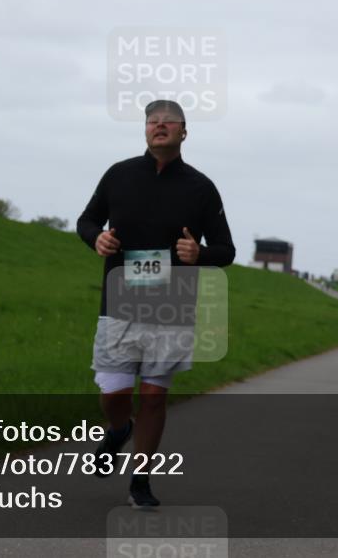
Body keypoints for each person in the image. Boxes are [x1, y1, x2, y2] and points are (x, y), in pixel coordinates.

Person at [77, 99, 235, 507]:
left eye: (169, 121)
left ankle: (140, 480)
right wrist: (97, 237)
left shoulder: (201, 188)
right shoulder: (119, 175)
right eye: (152, 121)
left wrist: (198, 254)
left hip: (172, 307)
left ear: (185, 132)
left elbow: (226, 249)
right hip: (119, 304)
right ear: (145, 130)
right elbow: (86, 220)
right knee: (114, 395)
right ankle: (117, 430)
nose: (159, 126)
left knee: (153, 396)